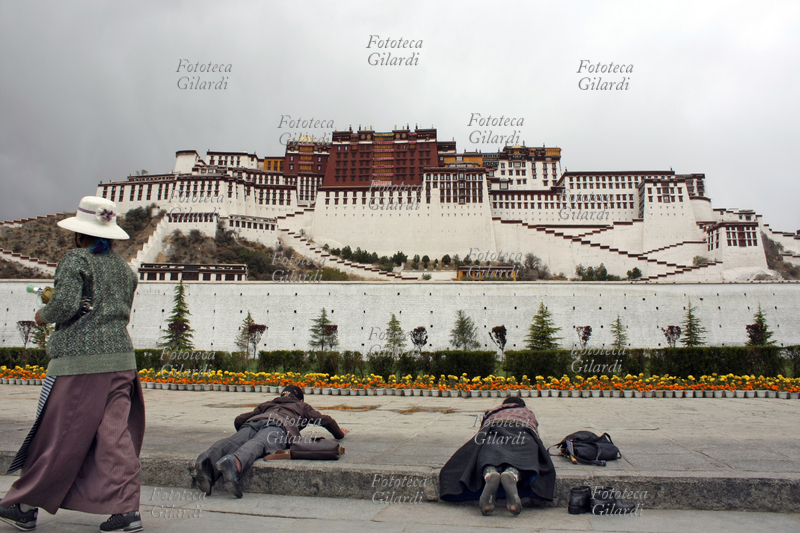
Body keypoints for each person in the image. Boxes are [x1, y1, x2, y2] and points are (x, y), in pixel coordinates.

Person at [0, 196, 144, 532]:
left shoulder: (75, 260)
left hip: (81, 363)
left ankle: (23, 505)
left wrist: (42, 315)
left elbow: (64, 305)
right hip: (121, 360)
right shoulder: (126, 270)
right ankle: (127, 510)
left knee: (59, 435)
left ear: (80, 235)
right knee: (114, 436)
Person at [193, 385, 349, 498]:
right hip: (279, 425)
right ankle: (235, 464)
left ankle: (206, 460)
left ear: (282, 395)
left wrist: (246, 428)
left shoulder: (268, 404)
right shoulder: (302, 406)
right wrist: (339, 433)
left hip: (254, 422)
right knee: (261, 442)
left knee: (233, 440)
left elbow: (239, 419)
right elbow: (325, 421)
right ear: (300, 398)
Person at [439, 397, 556, 516]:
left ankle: (490, 473)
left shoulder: (493, 411)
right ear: (522, 405)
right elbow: (534, 428)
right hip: (522, 432)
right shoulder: (527, 412)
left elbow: (482, 427)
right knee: (523, 457)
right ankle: (512, 474)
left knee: (488, 453)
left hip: (494, 429)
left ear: (504, 404)